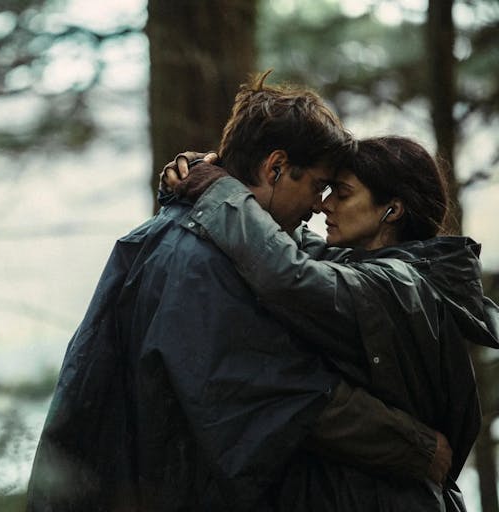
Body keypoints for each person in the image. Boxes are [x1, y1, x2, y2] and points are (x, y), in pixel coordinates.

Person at [27, 74, 451, 511]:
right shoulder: (203, 262)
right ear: (276, 168)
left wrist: (208, 186)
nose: (317, 205)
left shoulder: (189, 238)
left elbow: (297, 267)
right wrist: (419, 449)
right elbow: (285, 395)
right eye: (318, 185)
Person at [161, 135, 499, 510]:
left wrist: (219, 189)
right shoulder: (370, 268)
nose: (323, 205)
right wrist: (211, 175)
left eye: (342, 194)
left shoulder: (398, 285)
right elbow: (287, 242)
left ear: (392, 210)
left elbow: (287, 274)